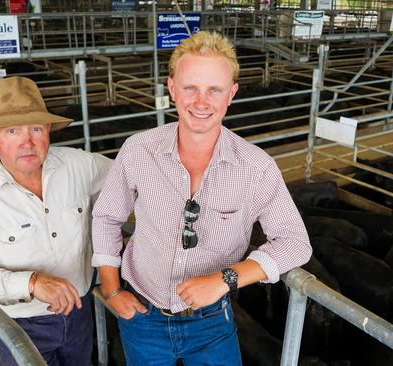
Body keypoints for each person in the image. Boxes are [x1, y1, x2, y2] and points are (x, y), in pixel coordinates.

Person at [91, 31, 312, 365]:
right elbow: (107, 218)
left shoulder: (257, 167)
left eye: (214, 90)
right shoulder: (138, 150)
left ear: (231, 94)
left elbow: (296, 243)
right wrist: (111, 290)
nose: (200, 101)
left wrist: (226, 279)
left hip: (211, 320)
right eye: (190, 87)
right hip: (142, 314)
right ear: (172, 88)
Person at [0, 76, 112, 365]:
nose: (27, 142)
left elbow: (131, 178)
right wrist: (30, 283)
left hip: (79, 313)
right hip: (20, 324)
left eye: (36, 128)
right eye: (12, 131)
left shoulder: (80, 165)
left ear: (49, 131)